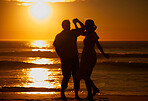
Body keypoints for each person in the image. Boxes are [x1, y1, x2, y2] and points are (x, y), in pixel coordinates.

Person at [75, 19, 109, 101]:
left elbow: (98, 45)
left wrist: (104, 54)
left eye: (87, 25)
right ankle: (94, 89)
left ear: (90, 26)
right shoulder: (87, 34)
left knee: (86, 76)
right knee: (84, 75)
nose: (86, 27)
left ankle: (90, 94)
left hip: (90, 57)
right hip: (85, 56)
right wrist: (77, 22)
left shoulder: (93, 34)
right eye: (86, 25)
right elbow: (79, 32)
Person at [53, 18, 85, 100]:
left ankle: (76, 95)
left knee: (76, 76)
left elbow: (83, 28)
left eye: (69, 25)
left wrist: (77, 21)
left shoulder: (73, 33)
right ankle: (62, 93)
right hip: (66, 59)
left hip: (74, 58)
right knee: (66, 76)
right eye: (67, 25)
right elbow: (56, 46)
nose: (68, 26)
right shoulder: (60, 35)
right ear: (63, 26)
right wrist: (61, 56)